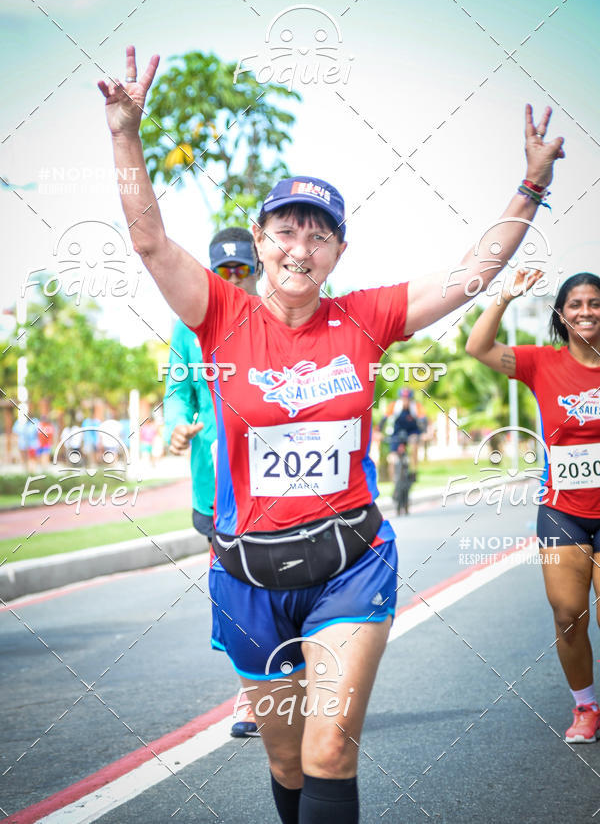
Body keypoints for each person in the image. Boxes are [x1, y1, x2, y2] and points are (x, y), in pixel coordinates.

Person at [99, 44, 564, 823]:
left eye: (319, 235)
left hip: (350, 563)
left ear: (337, 251)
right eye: (286, 229)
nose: (300, 247)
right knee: (285, 758)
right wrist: (125, 133)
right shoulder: (220, 314)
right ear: (260, 238)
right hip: (247, 576)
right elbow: (150, 241)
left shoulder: (365, 317)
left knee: (329, 749)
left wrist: (529, 187)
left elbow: (467, 276)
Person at [466, 269, 600, 743]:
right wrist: (502, 296)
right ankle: (586, 707)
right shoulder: (541, 362)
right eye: (576, 304)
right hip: (562, 510)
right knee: (568, 614)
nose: (586, 311)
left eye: (595, 303)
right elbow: (477, 348)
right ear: (561, 315)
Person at [164, 225, 261, 738]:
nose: (231, 280)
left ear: (258, 271)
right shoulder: (189, 328)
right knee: (231, 593)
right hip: (214, 490)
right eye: (221, 272)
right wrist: (176, 426)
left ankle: (274, 685)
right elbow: (178, 392)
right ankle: (250, 689)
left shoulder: (277, 316)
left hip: (274, 489)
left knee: (280, 584)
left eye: (241, 271)